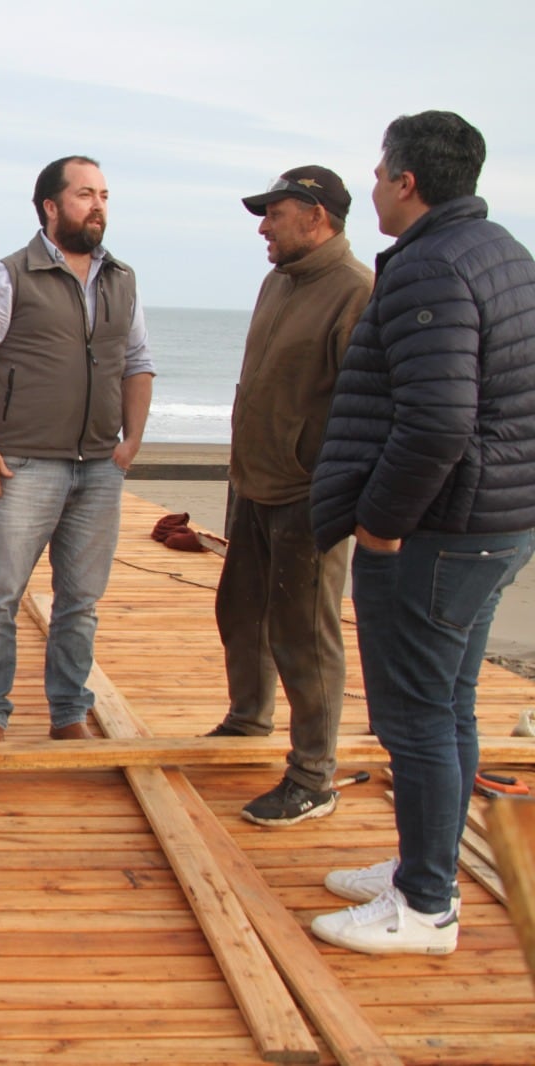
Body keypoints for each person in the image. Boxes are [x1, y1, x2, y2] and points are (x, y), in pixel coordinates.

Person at [309, 111, 535, 954]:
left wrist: (379, 525)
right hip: (495, 520)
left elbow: (439, 421)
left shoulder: (433, 268)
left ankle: (425, 908)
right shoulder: (501, 252)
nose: (371, 185)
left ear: (407, 181)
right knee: (452, 705)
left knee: (416, 718)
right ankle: (419, 864)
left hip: (439, 530)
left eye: (378, 172)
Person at [0, 156, 155, 743]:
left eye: (105, 195)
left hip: (100, 466)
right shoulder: (7, 275)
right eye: (86, 195)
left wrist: (133, 438)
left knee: (80, 602)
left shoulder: (123, 279)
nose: (99, 206)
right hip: (24, 463)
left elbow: (138, 362)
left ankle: (68, 713)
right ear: (51, 206)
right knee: (0, 596)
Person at [208, 167, 374, 827]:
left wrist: (340, 490)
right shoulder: (278, 282)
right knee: (240, 612)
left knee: (305, 635)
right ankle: (249, 720)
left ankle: (312, 778)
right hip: (253, 481)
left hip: (311, 494)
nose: (262, 227)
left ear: (315, 215)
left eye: (273, 214)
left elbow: (365, 409)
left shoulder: (356, 291)